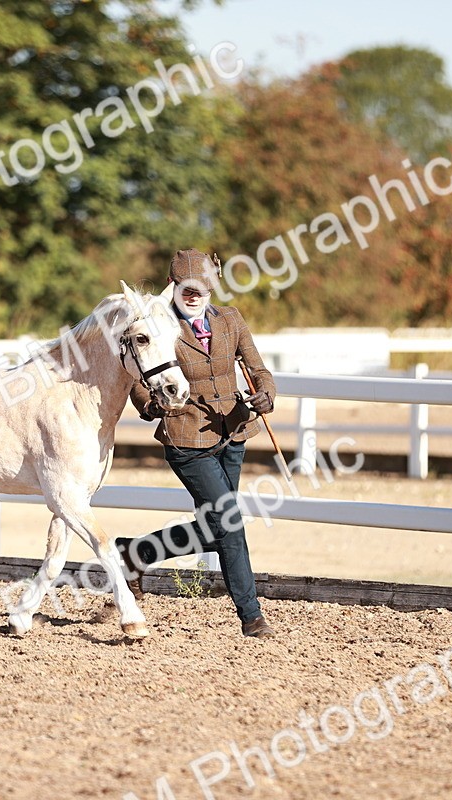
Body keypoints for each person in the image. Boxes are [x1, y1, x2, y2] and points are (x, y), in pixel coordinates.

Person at [115, 248, 278, 638]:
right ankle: (251, 616)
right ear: (174, 285)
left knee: (215, 528)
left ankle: (137, 554)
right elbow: (137, 377)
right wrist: (149, 404)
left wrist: (267, 393)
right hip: (186, 439)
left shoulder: (231, 319)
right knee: (230, 523)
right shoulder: (158, 324)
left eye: (202, 287)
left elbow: (257, 368)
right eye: (186, 287)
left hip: (234, 432)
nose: (194, 295)